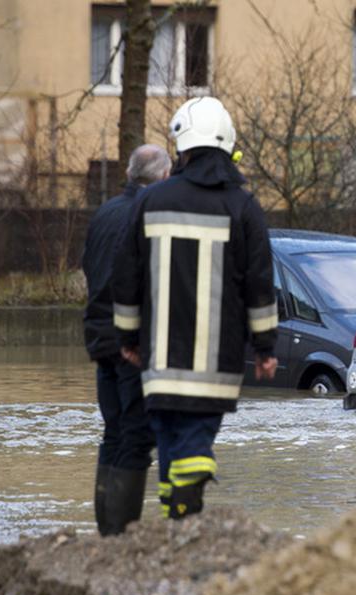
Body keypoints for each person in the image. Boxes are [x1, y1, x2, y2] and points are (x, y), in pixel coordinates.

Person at [112, 97, 277, 520]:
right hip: (217, 364)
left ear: (182, 144)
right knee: (192, 443)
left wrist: (127, 339)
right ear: (227, 145)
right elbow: (260, 284)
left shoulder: (150, 202)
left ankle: (180, 513)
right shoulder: (244, 207)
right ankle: (187, 501)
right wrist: (265, 348)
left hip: (159, 360)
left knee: (168, 436)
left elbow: (126, 278)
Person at [81, 144, 171, 535]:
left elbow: (90, 267)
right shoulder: (146, 215)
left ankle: (107, 528)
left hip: (100, 336)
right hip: (129, 341)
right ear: (162, 177)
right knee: (136, 435)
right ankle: (120, 534)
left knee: (114, 431)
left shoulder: (105, 211)